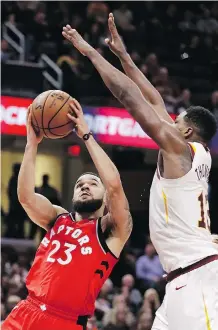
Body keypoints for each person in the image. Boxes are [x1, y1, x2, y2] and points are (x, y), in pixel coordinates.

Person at [62, 13, 218, 330]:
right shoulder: (192, 155)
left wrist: (90, 52)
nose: (168, 123)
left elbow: (130, 98)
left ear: (187, 133)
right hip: (182, 280)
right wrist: (123, 55)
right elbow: (155, 99)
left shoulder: (180, 150)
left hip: (196, 279)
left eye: (176, 123)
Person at [2, 100, 132, 330]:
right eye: (79, 184)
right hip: (26, 311)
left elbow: (114, 184)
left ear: (104, 195)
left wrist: (86, 135)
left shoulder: (111, 230)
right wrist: (32, 143)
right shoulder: (58, 218)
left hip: (64, 322)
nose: (84, 186)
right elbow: (25, 197)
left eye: (92, 183)